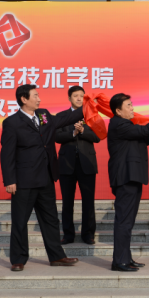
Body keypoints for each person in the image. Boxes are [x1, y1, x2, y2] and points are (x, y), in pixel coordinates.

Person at [0, 84, 93, 271]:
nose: (39, 99)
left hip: (46, 177)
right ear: (24, 99)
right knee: (20, 221)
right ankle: (18, 259)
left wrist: (89, 107)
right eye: (35, 95)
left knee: (51, 220)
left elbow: (64, 118)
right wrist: (10, 180)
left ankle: (57, 256)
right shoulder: (12, 123)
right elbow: (7, 154)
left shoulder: (42, 115)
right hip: (24, 181)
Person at [108, 93, 149, 271]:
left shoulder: (125, 125)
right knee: (124, 221)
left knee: (128, 221)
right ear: (118, 111)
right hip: (125, 178)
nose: (132, 108)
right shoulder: (119, 124)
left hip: (132, 177)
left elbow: (144, 137)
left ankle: (125, 258)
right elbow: (144, 131)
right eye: (128, 105)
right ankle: (119, 261)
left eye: (131, 104)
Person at [56, 86, 100, 245]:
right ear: (69, 98)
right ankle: (68, 234)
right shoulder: (61, 116)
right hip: (66, 164)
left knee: (88, 200)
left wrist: (82, 131)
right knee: (67, 201)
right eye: (76, 96)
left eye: (82, 96)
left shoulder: (92, 116)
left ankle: (88, 234)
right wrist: (72, 133)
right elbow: (57, 136)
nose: (79, 99)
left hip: (86, 164)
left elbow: (97, 137)